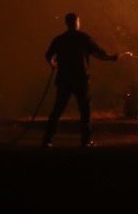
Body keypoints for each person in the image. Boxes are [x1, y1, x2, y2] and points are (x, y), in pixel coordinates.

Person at [42, 13, 117, 147]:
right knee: (85, 111)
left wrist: (53, 64)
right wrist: (111, 57)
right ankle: (86, 141)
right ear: (76, 22)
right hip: (80, 79)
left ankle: (47, 140)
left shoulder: (59, 39)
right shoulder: (83, 38)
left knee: (57, 110)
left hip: (64, 79)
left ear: (66, 23)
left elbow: (48, 55)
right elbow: (97, 52)